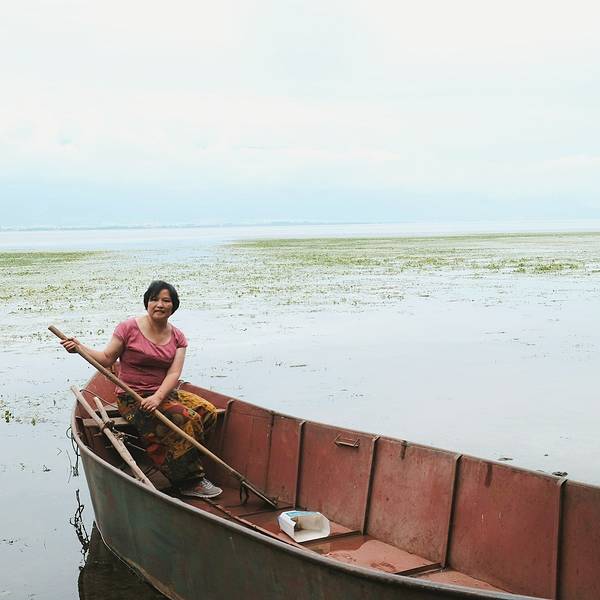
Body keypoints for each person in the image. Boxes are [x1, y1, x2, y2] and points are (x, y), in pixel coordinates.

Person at [61, 280, 222, 498]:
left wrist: (157, 397)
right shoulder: (128, 328)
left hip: (162, 393)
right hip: (132, 397)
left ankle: (181, 461)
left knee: (207, 411)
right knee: (186, 418)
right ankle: (189, 481)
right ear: (147, 303)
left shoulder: (178, 337)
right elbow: (107, 358)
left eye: (166, 300)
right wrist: (79, 347)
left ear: (173, 306)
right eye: (154, 299)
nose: (160, 304)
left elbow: (173, 374)